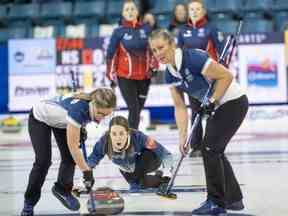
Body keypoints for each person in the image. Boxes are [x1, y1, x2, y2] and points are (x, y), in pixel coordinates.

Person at [149, 29, 248, 215]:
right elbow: (179, 107)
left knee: (210, 149)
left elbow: (226, 76)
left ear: (172, 44)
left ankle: (216, 202)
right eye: (154, 50)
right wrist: (183, 137)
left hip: (233, 102)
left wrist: (211, 101)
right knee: (214, 150)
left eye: (161, 47)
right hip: (217, 107)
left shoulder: (192, 58)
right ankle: (234, 200)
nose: (158, 53)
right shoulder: (170, 74)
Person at [20, 88, 117, 216]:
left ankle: (62, 189)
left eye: (108, 115)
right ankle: (29, 203)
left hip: (61, 121)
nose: (104, 118)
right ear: (93, 105)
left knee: (69, 158)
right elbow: (73, 148)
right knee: (43, 162)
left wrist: (80, 129)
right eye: (102, 114)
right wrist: (87, 172)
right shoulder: (78, 112)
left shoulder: (91, 104)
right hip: (40, 117)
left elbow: (78, 120)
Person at [172, 0, 225, 157]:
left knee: (211, 110)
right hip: (192, 77)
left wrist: (219, 71)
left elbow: (222, 52)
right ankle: (196, 145)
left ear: (203, 11)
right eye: (191, 9)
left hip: (209, 75)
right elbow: (178, 53)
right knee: (195, 111)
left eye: (197, 9)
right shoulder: (182, 31)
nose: (194, 11)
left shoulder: (211, 28)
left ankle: (212, 143)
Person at [87, 115, 173, 192]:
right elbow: (92, 160)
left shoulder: (138, 137)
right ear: (109, 134)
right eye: (114, 134)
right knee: (142, 184)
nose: (118, 138)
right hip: (127, 170)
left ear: (127, 132)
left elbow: (166, 154)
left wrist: (167, 173)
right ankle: (158, 178)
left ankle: (137, 180)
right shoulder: (103, 142)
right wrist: (84, 179)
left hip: (149, 161)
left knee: (145, 158)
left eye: (121, 133)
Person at [106, 0, 157, 130]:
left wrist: (154, 66)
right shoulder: (118, 32)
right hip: (125, 76)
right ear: (123, 13)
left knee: (138, 110)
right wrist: (110, 74)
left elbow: (154, 49)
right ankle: (131, 141)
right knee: (134, 109)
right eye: (127, 9)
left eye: (132, 9)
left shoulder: (147, 29)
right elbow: (111, 54)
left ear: (137, 12)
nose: (130, 12)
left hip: (145, 77)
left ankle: (131, 137)